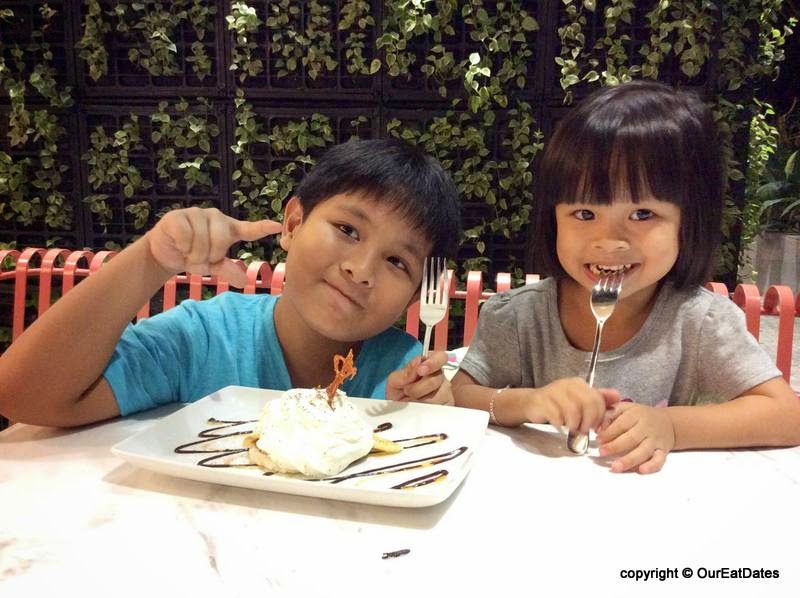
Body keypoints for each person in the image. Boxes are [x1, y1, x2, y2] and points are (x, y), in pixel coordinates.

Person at [451, 80, 800, 474]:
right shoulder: (518, 317)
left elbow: (787, 415)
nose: (608, 240)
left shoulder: (700, 322)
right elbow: (459, 395)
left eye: (642, 214)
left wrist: (671, 427)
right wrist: (529, 402)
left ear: (689, 222)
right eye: (584, 214)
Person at [0, 139, 461, 427]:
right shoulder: (203, 339)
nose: (361, 269)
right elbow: (23, 396)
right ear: (293, 223)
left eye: (397, 261)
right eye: (347, 229)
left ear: (414, 296)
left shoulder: (400, 370)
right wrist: (151, 261)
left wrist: (428, 417)